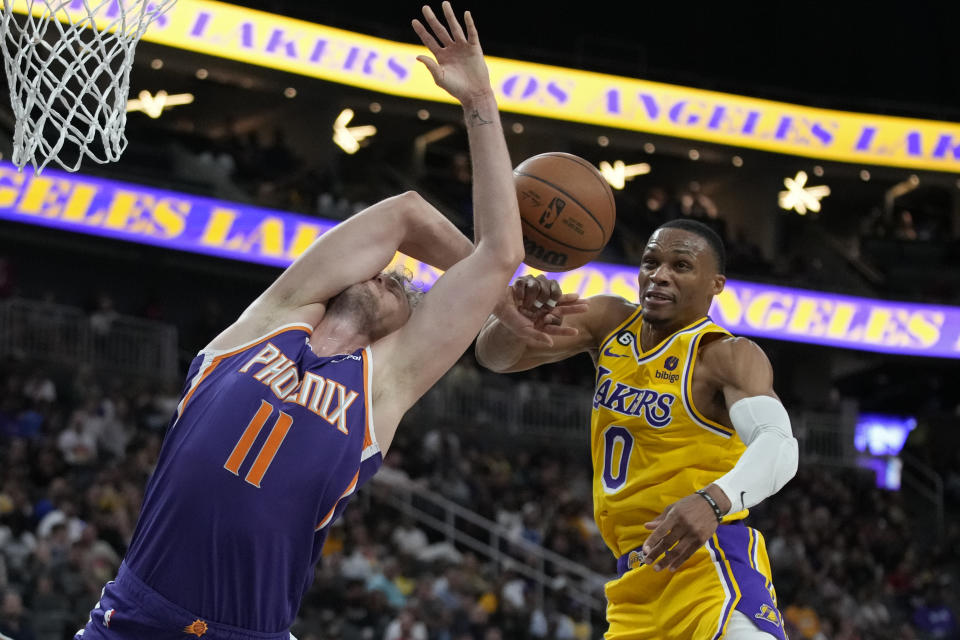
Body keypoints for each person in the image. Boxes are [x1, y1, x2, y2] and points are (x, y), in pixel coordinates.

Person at [74, 3, 527, 638]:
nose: (389, 272)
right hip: (135, 615)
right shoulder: (267, 323)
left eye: (402, 286)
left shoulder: (382, 385)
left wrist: (480, 100)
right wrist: (502, 300)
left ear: (403, 329)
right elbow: (404, 215)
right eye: (386, 269)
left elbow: (500, 252)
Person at [476, 218, 799, 639]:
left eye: (681, 266)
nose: (659, 275)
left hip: (710, 566)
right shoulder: (609, 322)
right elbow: (494, 357)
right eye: (651, 262)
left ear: (715, 284)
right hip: (634, 586)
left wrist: (713, 501)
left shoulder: (725, 356)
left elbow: (779, 446)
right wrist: (518, 319)